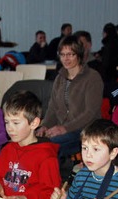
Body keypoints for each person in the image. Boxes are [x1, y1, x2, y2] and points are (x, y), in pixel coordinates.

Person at [36, 35, 104, 163]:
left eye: (70, 54)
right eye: (62, 55)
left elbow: (90, 112)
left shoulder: (92, 77)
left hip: (85, 130)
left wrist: (64, 128)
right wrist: (45, 126)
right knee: (34, 141)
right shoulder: (60, 78)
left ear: (78, 55)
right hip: (63, 128)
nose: (66, 59)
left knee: (50, 146)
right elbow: (52, 108)